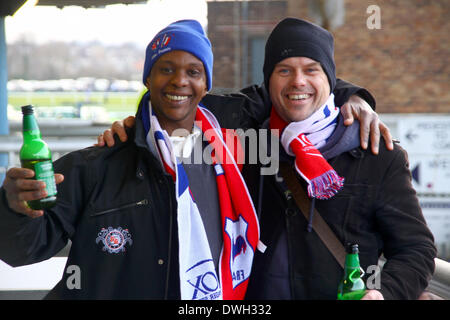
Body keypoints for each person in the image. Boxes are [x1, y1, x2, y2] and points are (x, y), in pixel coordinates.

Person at [100, 18, 437, 300]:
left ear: (331, 80)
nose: (298, 82)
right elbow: (177, 101)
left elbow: (416, 249)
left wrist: (384, 293)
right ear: (269, 80)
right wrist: (133, 131)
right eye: (284, 70)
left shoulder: (376, 153)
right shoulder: (248, 138)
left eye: (311, 69)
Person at [0, 20, 261, 300]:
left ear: (206, 85)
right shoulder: (93, 165)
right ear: (148, 78)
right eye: (166, 69)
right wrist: (14, 208)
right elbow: (21, 250)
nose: (180, 81)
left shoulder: (231, 160)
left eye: (193, 72)